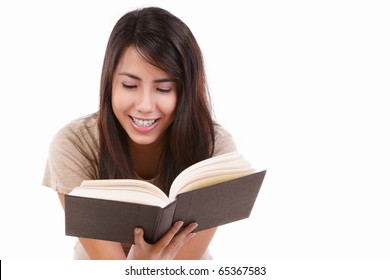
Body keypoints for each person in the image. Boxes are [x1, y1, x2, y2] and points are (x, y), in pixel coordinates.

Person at [42, 6, 237, 260]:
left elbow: (183, 266)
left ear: (185, 93)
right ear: (109, 82)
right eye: (130, 85)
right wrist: (137, 266)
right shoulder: (75, 145)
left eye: (164, 89)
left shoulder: (214, 149)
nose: (145, 105)